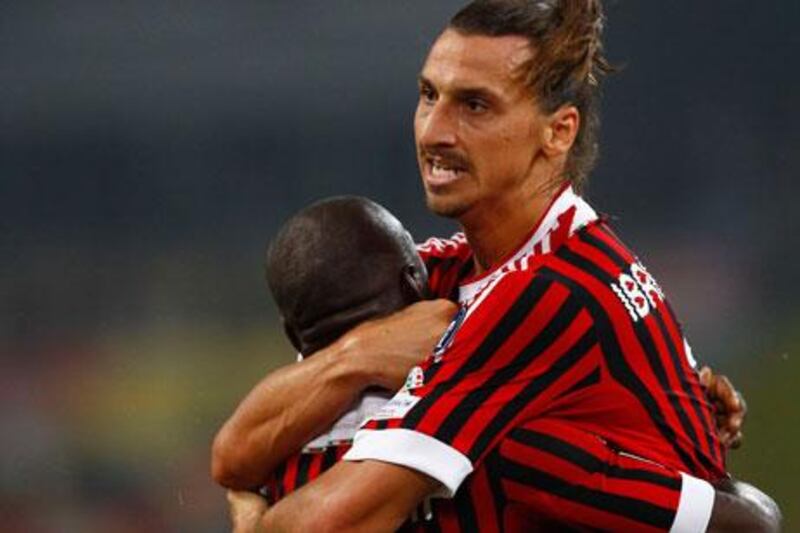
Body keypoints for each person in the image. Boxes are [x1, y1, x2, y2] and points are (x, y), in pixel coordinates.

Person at [214, 1, 781, 530]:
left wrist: (252, 512)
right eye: (429, 95)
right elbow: (234, 452)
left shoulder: (548, 294)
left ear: (558, 131)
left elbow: (340, 518)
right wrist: (357, 357)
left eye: (475, 105)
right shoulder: (450, 270)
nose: (434, 131)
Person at [217, 196, 779, 532]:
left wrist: (250, 514)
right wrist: (658, 412)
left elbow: (230, 460)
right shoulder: (517, 448)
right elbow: (746, 526)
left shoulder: (281, 457)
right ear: (416, 280)